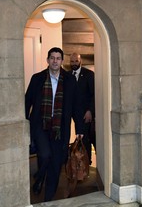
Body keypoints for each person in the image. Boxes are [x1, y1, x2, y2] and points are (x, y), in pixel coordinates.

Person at [25, 47, 84, 202]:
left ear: (62, 61)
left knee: (56, 164)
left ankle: (48, 199)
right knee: (45, 155)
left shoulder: (70, 80)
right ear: (47, 60)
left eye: (58, 58)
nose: (55, 61)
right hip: (40, 125)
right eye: (52, 58)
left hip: (60, 128)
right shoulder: (37, 78)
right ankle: (39, 177)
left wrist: (79, 129)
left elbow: (77, 106)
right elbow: (26, 102)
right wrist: (24, 125)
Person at [69, 52, 95, 165]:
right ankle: (74, 163)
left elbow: (94, 94)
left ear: (80, 61)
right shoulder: (67, 75)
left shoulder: (89, 74)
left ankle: (85, 164)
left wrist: (90, 111)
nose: (74, 63)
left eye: (76, 61)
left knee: (84, 139)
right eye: (72, 61)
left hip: (85, 113)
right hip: (70, 112)